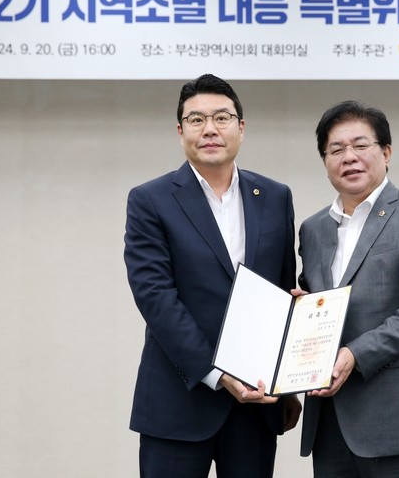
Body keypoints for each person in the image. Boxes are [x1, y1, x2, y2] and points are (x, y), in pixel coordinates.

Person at [123, 74, 301, 478]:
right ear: (180, 130)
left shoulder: (275, 197)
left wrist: (287, 382)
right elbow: (155, 297)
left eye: (222, 118)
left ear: (241, 127)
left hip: (256, 404)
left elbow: (282, 290)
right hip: (178, 402)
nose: (210, 129)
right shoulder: (150, 200)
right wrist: (218, 374)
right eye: (196, 119)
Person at [297, 100, 399, 478]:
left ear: (386, 152)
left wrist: (355, 353)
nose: (348, 157)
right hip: (331, 422)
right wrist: (296, 312)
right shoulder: (313, 230)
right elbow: (316, 306)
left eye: (360, 145)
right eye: (336, 149)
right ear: (325, 161)